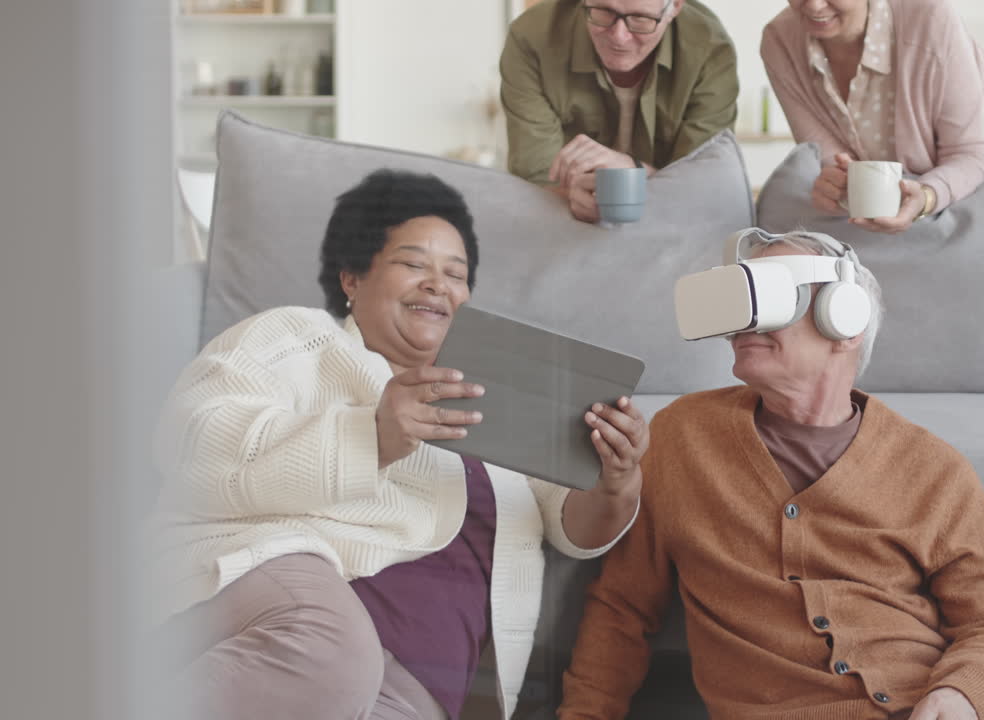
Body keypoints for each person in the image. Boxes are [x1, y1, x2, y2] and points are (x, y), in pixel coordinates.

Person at [148, 169, 649, 720]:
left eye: (456, 275)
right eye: (413, 264)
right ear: (352, 278)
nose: (438, 284)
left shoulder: (501, 395)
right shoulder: (293, 337)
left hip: (411, 691)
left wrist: (615, 480)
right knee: (330, 653)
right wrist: (375, 435)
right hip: (278, 596)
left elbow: (575, 529)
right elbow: (193, 445)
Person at [558, 229, 984, 720]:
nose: (747, 319)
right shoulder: (683, 437)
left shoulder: (935, 469)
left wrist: (960, 695)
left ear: (846, 320)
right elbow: (623, 608)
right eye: (743, 298)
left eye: (773, 296)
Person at [761, 0, 984, 233]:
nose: (813, 5)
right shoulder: (779, 42)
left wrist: (927, 197)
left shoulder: (928, 15)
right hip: (918, 174)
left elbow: (971, 155)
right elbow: (833, 162)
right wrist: (839, 190)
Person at [500, 0, 738, 223]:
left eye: (640, 19)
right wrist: (570, 194)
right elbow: (536, 178)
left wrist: (632, 172)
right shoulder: (532, 38)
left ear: (674, 6)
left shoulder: (709, 47)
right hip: (560, 223)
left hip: (672, 225)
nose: (619, 37)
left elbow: (705, 184)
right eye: (604, 11)